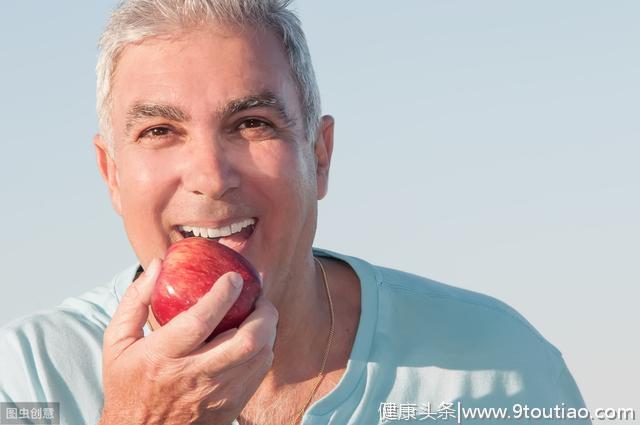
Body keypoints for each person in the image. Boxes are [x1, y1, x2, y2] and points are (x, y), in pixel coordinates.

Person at [0, 1, 590, 424]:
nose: (210, 176)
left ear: (320, 155)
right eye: (160, 130)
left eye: (251, 123)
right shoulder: (25, 382)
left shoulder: (498, 368)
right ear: (111, 175)